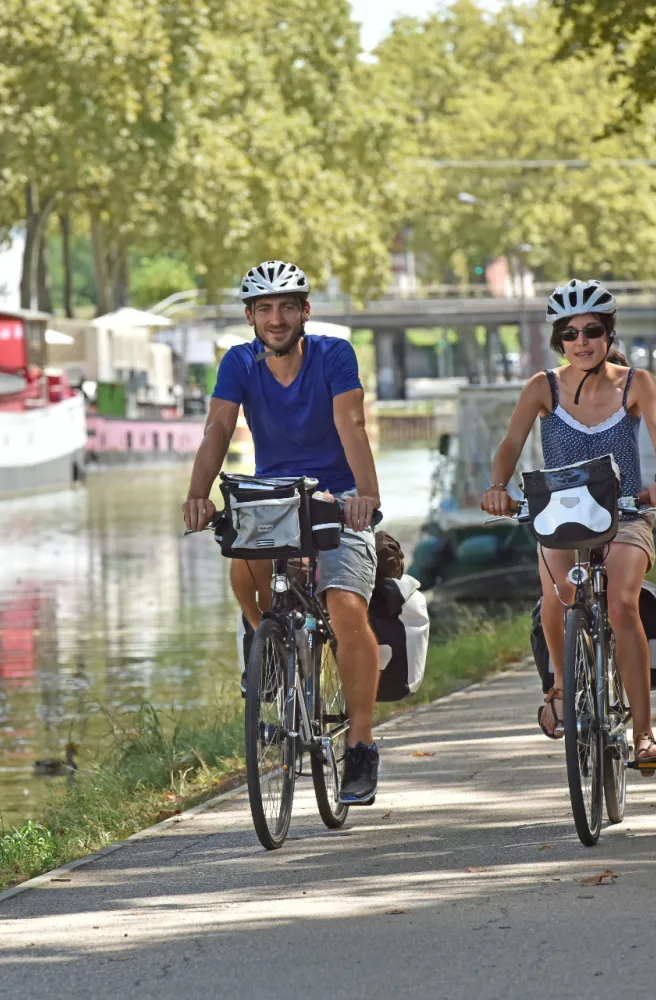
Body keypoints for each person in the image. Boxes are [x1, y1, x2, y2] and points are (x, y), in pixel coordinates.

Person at [183, 260, 382, 804]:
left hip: (338, 498)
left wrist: (368, 495)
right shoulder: (238, 363)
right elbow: (218, 427)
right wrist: (198, 494)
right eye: (265, 308)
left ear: (304, 312)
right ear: (250, 316)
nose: (276, 318)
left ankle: (361, 745)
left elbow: (352, 424)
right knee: (243, 560)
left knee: (343, 605)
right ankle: (262, 636)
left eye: (287, 307)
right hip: (274, 495)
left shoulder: (334, 355)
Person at [481, 278, 656, 764]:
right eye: (570, 334)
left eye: (592, 331)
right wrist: (498, 487)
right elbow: (511, 443)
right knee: (556, 593)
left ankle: (644, 733)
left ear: (609, 334)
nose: (582, 342)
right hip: (561, 512)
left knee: (622, 605)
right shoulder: (541, 386)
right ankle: (562, 690)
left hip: (624, 512)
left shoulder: (637, 383)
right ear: (559, 340)